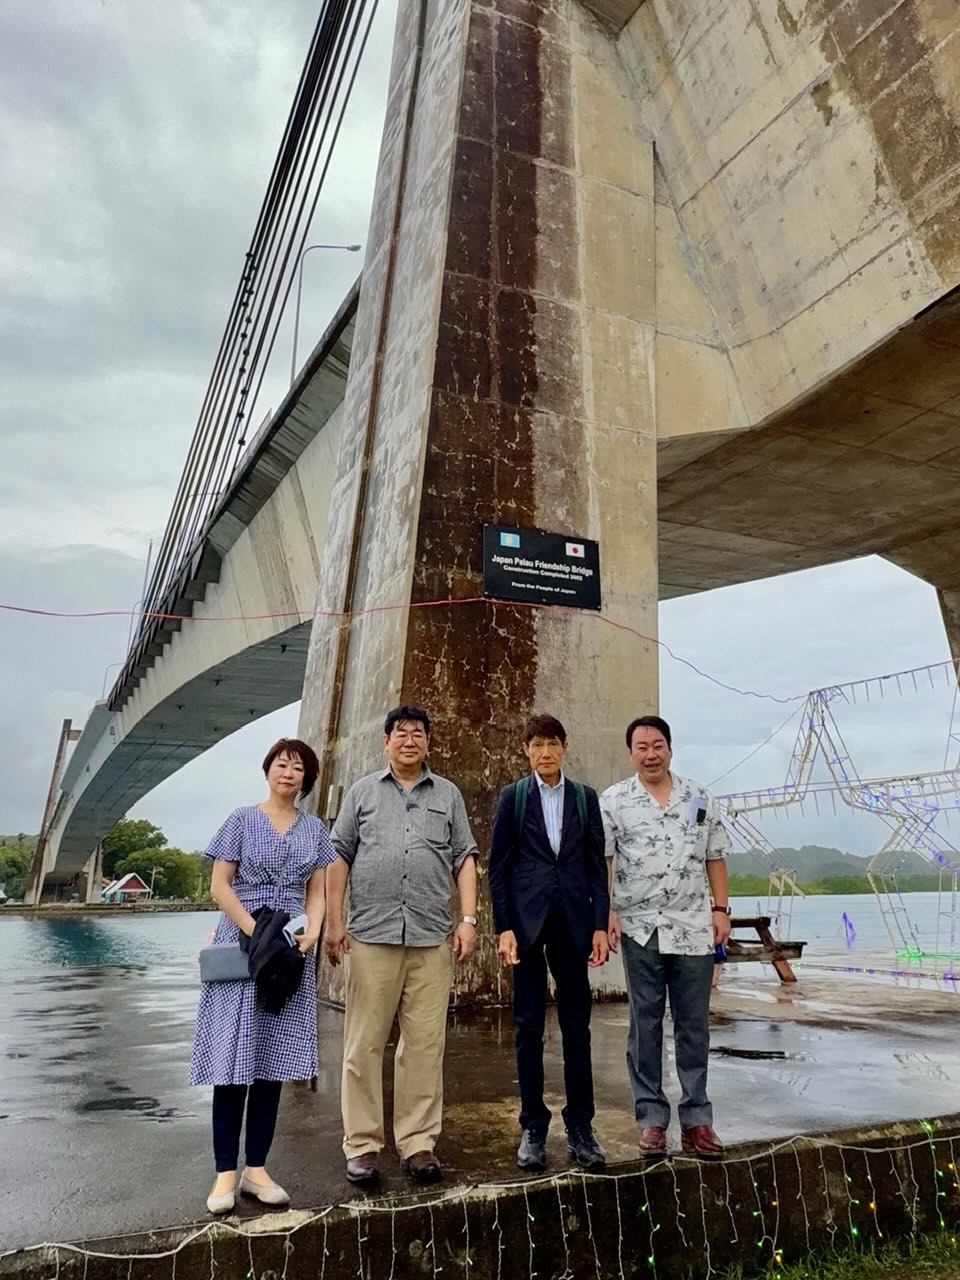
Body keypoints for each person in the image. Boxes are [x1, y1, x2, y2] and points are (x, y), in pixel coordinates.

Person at [325, 705, 479, 1185]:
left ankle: (418, 1143)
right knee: (363, 1045)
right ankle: (363, 1146)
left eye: (418, 733)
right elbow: (339, 857)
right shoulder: (362, 792)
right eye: (401, 733)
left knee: (424, 1046)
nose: (409, 740)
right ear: (386, 741)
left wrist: (468, 920)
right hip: (371, 934)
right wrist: (335, 922)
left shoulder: (448, 794)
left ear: (428, 742)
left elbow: (464, 858)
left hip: (432, 936)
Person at [190, 738, 336, 1214]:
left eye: (298, 767)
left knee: (273, 1062)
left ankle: (256, 1169)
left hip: (290, 945)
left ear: (306, 779)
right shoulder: (240, 819)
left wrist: (314, 931)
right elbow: (220, 884)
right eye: (281, 764)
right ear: (267, 769)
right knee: (232, 1060)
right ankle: (223, 1174)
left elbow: (317, 890)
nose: (288, 773)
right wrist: (256, 933)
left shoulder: (314, 830)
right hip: (244, 940)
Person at [600, 716, 731, 1160]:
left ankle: (697, 1119)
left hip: (694, 925)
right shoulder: (613, 801)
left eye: (658, 745)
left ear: (670, 749)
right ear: (630, 754)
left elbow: (715, 857)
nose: (650, 754)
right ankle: (652, 1119)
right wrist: (607, 913)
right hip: (641, 926)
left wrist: (721, 910)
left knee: (694, 1023)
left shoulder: (700, 798)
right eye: (642, 747)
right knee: (646, 1023)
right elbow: (606, 862)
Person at [489, 714, 609, 1171]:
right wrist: (503, 927)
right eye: (537, 744)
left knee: (578, 1027)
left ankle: (581, 1126)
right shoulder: (514, 797)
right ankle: (533, 1127)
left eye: (552, 743)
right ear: (525, 750)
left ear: (564, 747)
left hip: (574, 922)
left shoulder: (584, 797)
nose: (545, 752)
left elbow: (595, 865)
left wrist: (599, 924)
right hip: (526, 923)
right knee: (528, 1026)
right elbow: (499, 867)